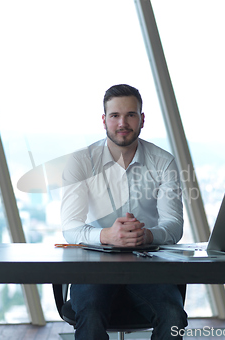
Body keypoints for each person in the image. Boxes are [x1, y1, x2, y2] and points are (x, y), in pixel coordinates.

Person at [60, 84, 188, 339]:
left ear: (142, 119)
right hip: (95, 266)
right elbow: (71, 227)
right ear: (104, 120)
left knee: (173, 315)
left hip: (147, 264)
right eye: (115, 115)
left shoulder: (163, 162)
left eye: (131, 115)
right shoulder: (81, 162)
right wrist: (107, 235)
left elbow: (174, 225)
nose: (123, 122)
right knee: (91, 313)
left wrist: (147, 236)